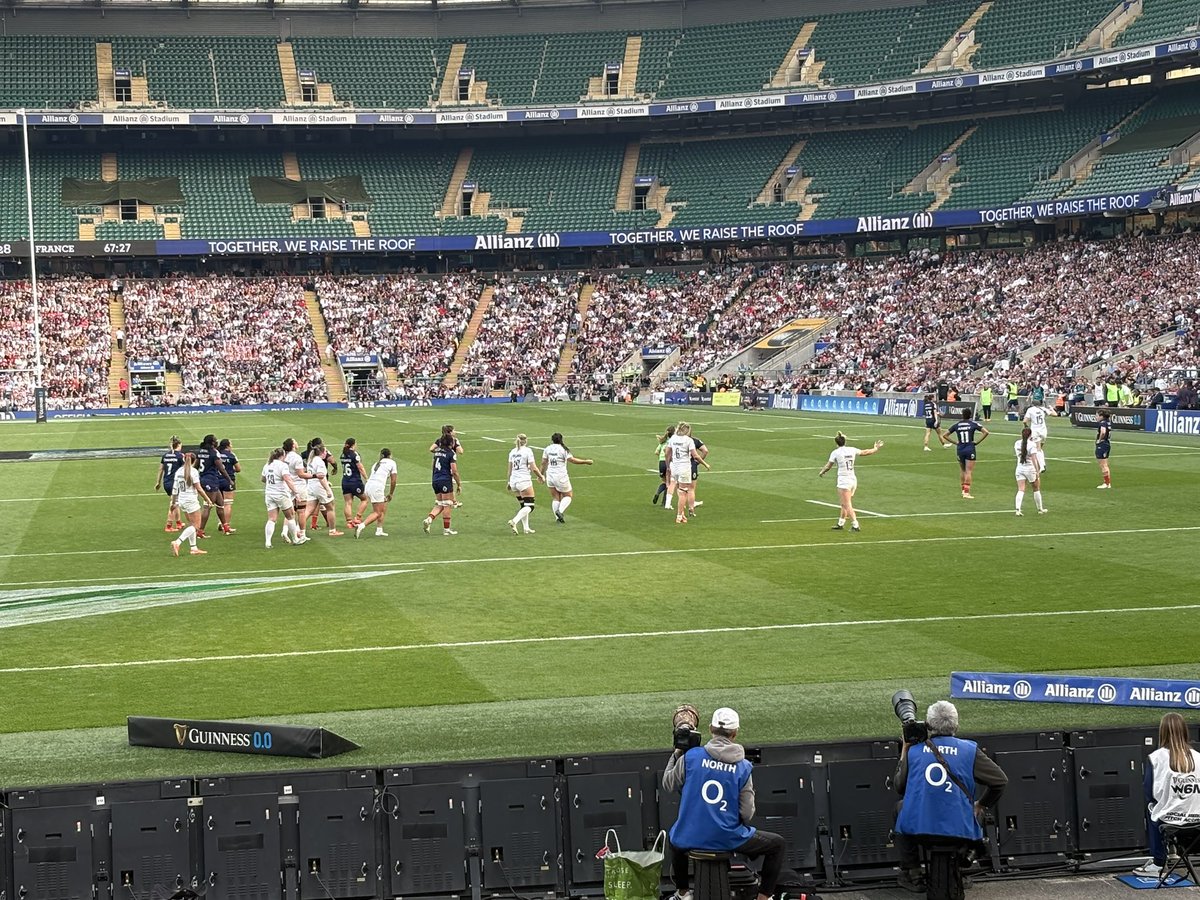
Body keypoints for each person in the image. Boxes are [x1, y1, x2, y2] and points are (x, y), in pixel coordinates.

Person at [663, 708, 786, 900]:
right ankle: (763, 898)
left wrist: (677, 753)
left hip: (689, 835)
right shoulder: (743, 767)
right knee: (777, 844)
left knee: (675, 837)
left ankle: (683, 893)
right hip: (728, 837)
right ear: (735, 733)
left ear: (711, 729)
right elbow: (747, 814)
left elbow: (668, 784)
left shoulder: (691, 757)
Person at [894, 700, 1008, 893]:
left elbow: (899, 786)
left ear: (928, 726)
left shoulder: (915, 750)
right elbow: (1000, 781)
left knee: (899, 807)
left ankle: (912, 872)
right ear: (956, 724)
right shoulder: (969, 750)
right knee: (977, 810)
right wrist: (981, 804)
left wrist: (905, 750)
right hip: (959, 827)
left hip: (920, 829)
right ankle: (965, 865)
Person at [1134, 712, 1200, 878]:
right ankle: (1174, 850)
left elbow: (1148, 792)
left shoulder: (1155, 758)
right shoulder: (1198, 757)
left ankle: (1158, 863)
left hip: (1169, 820)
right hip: (1197, 819)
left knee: (1151, 807)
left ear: (1162, 732)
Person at [818, 432, 884, 531]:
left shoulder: (835, 452)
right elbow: (865, 452)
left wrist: (822, 472)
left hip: (844, 481)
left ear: (836, 443)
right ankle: (841, 523)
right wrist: (875, 448)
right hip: (853, 480)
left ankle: (855, 525)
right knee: (844, 503)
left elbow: (828, 466)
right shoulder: (852, 449)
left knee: (847, 504)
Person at [542, 432, 593, 524]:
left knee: (555, 497)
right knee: (568, 495)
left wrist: (541, 475)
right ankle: (560, 511)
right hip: (561, 476)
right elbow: (572, 460)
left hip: (550, 475)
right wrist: (585, 461)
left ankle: (557, 518)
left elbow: (543, 462)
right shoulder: (563, 449)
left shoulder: (547, 449)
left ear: (552, 440)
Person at [169, 452, 214, 557]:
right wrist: (208, 500)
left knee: (191, 525)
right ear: (194, 461)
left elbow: (175, 489)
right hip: (191, 501)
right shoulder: (193, 472)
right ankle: (177, 542)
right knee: (196, 526)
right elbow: (199, 488)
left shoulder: (178, 471)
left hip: (182, 500)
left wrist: (174, 502)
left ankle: (193, 548)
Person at [665, 423, 709, 524]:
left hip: (675, 467)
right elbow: (696, 456)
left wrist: (668, 466)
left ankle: (682, 514)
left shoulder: (673, 438)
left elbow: (667, 452)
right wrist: (705, 464)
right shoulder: (689, 440)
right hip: (684, 468)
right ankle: (679, 516)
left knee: (679, 489)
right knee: (683, 493)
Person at [940, 408, 989, 499]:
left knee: (963, 470)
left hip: (960, 449)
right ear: (970, 415)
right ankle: (966, 493)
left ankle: (963, 490)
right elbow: (986, 432)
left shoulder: (957, 425)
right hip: (970, 448)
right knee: (969, 471)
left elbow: (945, 435)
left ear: (962, 415)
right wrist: (977, 442)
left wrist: (955, 442)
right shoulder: (973, 424)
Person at [262, 447, 302, 549]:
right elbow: (287, 479)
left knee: (272, 519)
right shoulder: (282, 465)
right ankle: (295, 539)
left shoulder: (267, 465)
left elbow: (263, 479)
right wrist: (296, 492)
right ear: (282, 456)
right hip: (281, 494)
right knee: (290, 516)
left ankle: (268, 542)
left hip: (269, 494)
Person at [423, 433, 462, 535]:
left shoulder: (437, 452)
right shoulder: (451, 453)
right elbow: (454, 471)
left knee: (440, 503)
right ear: (451, 442)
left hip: (435, 479)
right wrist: (459, 484)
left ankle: (429, 519)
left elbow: (432, 465)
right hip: (445, 480)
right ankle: (446, 530)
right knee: (447, 504)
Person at [506, 433, 544, 535]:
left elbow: (509, 469)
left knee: (524, 505)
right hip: (524, 481)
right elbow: (533, 467)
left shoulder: (512, 452)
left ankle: (526, 528)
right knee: (530, 506)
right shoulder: (528, 451)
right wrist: (541, 476)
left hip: (514, 481)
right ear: (526, 441)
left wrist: (509, 482)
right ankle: (514, 521)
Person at [355, 448, 397, 538]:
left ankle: (379, 530)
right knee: (377, 512)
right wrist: (391, 493)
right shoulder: (392, 463)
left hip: (368, 486)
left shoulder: (376, 464)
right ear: (390, 455)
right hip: (377, 488)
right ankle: (361, 526)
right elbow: (393, 481)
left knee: (383, 505)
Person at [306, 440, 343, 537]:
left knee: (309, 509)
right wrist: (327, 489)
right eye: (325, 452)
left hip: (310, 486)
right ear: (322, 453)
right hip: (319, 486)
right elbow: (321, 477)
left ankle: (299, 529)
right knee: (330, 507)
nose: (326, 453)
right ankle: (332, 530)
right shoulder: (319, 462)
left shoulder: (311, 460)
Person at [196, 433, 232, 536]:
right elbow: (221, 468)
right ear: (212, 442)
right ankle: (200, 531)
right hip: (210, 480)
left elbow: (196, 466)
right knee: (208, 506)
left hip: (206, 479)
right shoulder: (213, 453)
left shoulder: (201, 452)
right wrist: (229, 480)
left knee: (220, 503)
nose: (217, 442)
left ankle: (225, 527)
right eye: (215, 440)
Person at [283, 437, 313, 541]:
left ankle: (285, 531)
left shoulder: (284, 457)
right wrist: (314, 475)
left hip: (288, 485)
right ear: (292, 445)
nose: (297, 442)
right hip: (299, 486)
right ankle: (302, 534)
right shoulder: (296, 457)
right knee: (301, 511)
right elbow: (300, 474)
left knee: (290, 510)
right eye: (295, 441)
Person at [1012, 428, 1046, 516]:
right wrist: (1037, 470)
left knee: (1021, 489)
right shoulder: (1032, 445)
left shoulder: (1017, 443)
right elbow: (1034, 459)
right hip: (1030, 469)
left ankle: (1017, 509)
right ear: (1030, 435)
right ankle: (1040, 509)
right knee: (1036, 488)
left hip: (1020, 468)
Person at [155, 436, 185, 532]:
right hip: (175, 482)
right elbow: (185, 469)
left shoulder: (165, 456)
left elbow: (161, 469)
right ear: (179, 445)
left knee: (175, 502)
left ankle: (179, 522)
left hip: (166, 482)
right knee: (173, 503)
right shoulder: (180, 456)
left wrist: (158, 482)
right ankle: (168, 525)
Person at [431, 425, 465, 508]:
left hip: (439, 463)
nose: (455, 432)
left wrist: (439, 452)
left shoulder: (440, 440)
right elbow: (461, 451)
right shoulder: (454, 441)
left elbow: (431, 449)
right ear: (450, 432)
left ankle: (442, 499)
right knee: (450, 481)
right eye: (454, 430)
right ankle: (453, 502)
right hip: (449, 462)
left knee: (445, 481)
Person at [340, 438, 370, 528]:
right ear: (353, 444)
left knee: (348, 502)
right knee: (364, 499)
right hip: (355, 481)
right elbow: (360, 467)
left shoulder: (343, 454)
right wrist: (366, 478)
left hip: (345, 481)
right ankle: (357, 518)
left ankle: (349, 522)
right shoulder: (354, 454)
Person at [217, 438, 241, 531]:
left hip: (217, 480)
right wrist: (230, 469)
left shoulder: (217, 453)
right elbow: (238, 469)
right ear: (227, 445)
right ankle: (226, 525)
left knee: (220, 503)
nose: (232, 446)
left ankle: (220, 522)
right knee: (228, 503)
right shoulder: (231, 455)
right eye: (231, 444)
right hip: (228, 480)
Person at [1022, 396, 1048, 473]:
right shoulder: (1042, 409)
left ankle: (1042, 466)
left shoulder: (1030, 409)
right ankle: (1042, 464)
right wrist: (1051, 408)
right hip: (1044, 431)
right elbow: (1055, 414)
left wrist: (1026, 427)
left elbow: (1024, 421)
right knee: (1039, 448)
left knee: (1037, 449)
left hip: (1035, 431)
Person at [653, 425, 675, 506]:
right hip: (668, 462)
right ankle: (664, 502)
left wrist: (660, 457)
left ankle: (658, 493)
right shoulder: (673, 441)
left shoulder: (663, 441)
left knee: (664, 481)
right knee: (669, 482)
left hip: (661, 462)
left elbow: (656, 452)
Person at [1095, 410, 1113, 489]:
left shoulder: (1102, 423)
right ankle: (1108, 483)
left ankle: (1106, 483)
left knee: (1103, 465)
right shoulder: (1108, 422)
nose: (1096, 417)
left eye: (1097, 415)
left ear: (1101, 416)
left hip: (1102, 444)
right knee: (1105, 464)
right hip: (1107, 443)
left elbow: (1103, 432)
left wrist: (1099, 440)